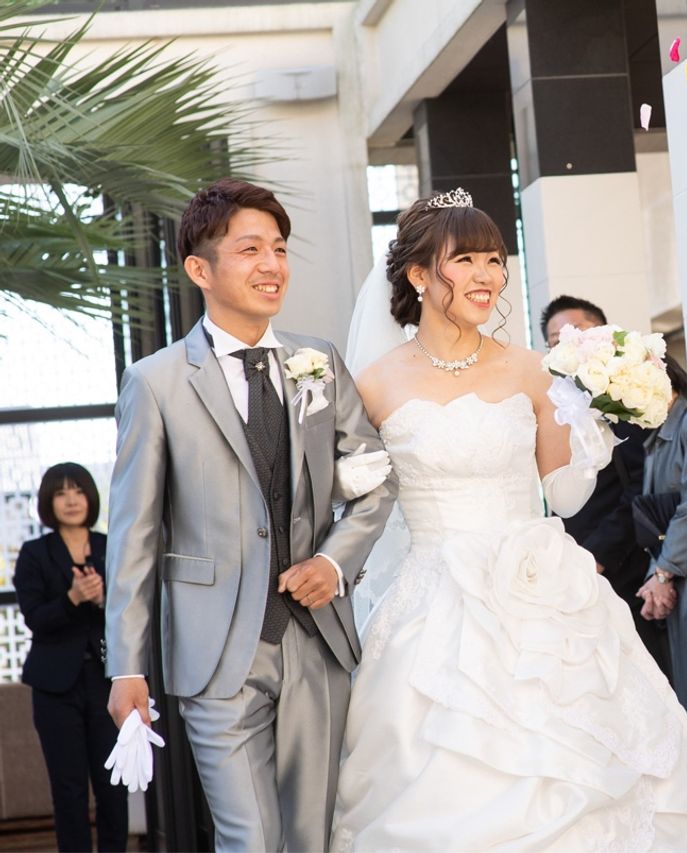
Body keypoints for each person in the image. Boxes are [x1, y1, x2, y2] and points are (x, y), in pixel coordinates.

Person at [330, 189, 687, 851]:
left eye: (494, 260)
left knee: (591, 759)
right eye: (465, 259)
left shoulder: (534, 370)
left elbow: (562, 496)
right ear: (419, 275)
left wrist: (591, 422)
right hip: (434, 604)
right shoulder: (373, 384)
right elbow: (360, 500)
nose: (487, 275)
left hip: (544, 593)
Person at [104, 179, 399, 851]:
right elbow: (133, 535)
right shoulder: (156, 382)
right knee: (252, 838)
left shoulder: (318, 362)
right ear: (200, 269)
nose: (272, 265)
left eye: (280, 248)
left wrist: (335, 562)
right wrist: (127, 666)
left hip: (317, 641)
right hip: (214, 652)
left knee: (310, 836)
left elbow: (375, 479)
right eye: (250, 249)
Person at [541, 295, 671, 678]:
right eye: (554, 341)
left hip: (623, 564)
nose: (564, 344)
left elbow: (639, 485)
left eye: (575, 333)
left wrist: (598, 555)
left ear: (602, 334)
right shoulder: (555, 407)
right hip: (573, 568)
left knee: (641, 673)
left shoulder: (623, 396)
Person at [14, 463, 128, 852]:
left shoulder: (112, 547)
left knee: (113, 786)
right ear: (48, 502)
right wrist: (73, 599)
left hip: (108, 682)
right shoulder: (34, 553)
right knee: (69, 789)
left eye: (78, 491)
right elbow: (35, 618)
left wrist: (104, 599)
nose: (71, 500)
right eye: (61, 493)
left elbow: (134, 610)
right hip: (55, 688)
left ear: (90, 497)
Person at [636, 357, 687, 751]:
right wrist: (658, 575)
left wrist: (664, 571)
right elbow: (659, 518)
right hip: (675, 577)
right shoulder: (656, 435)